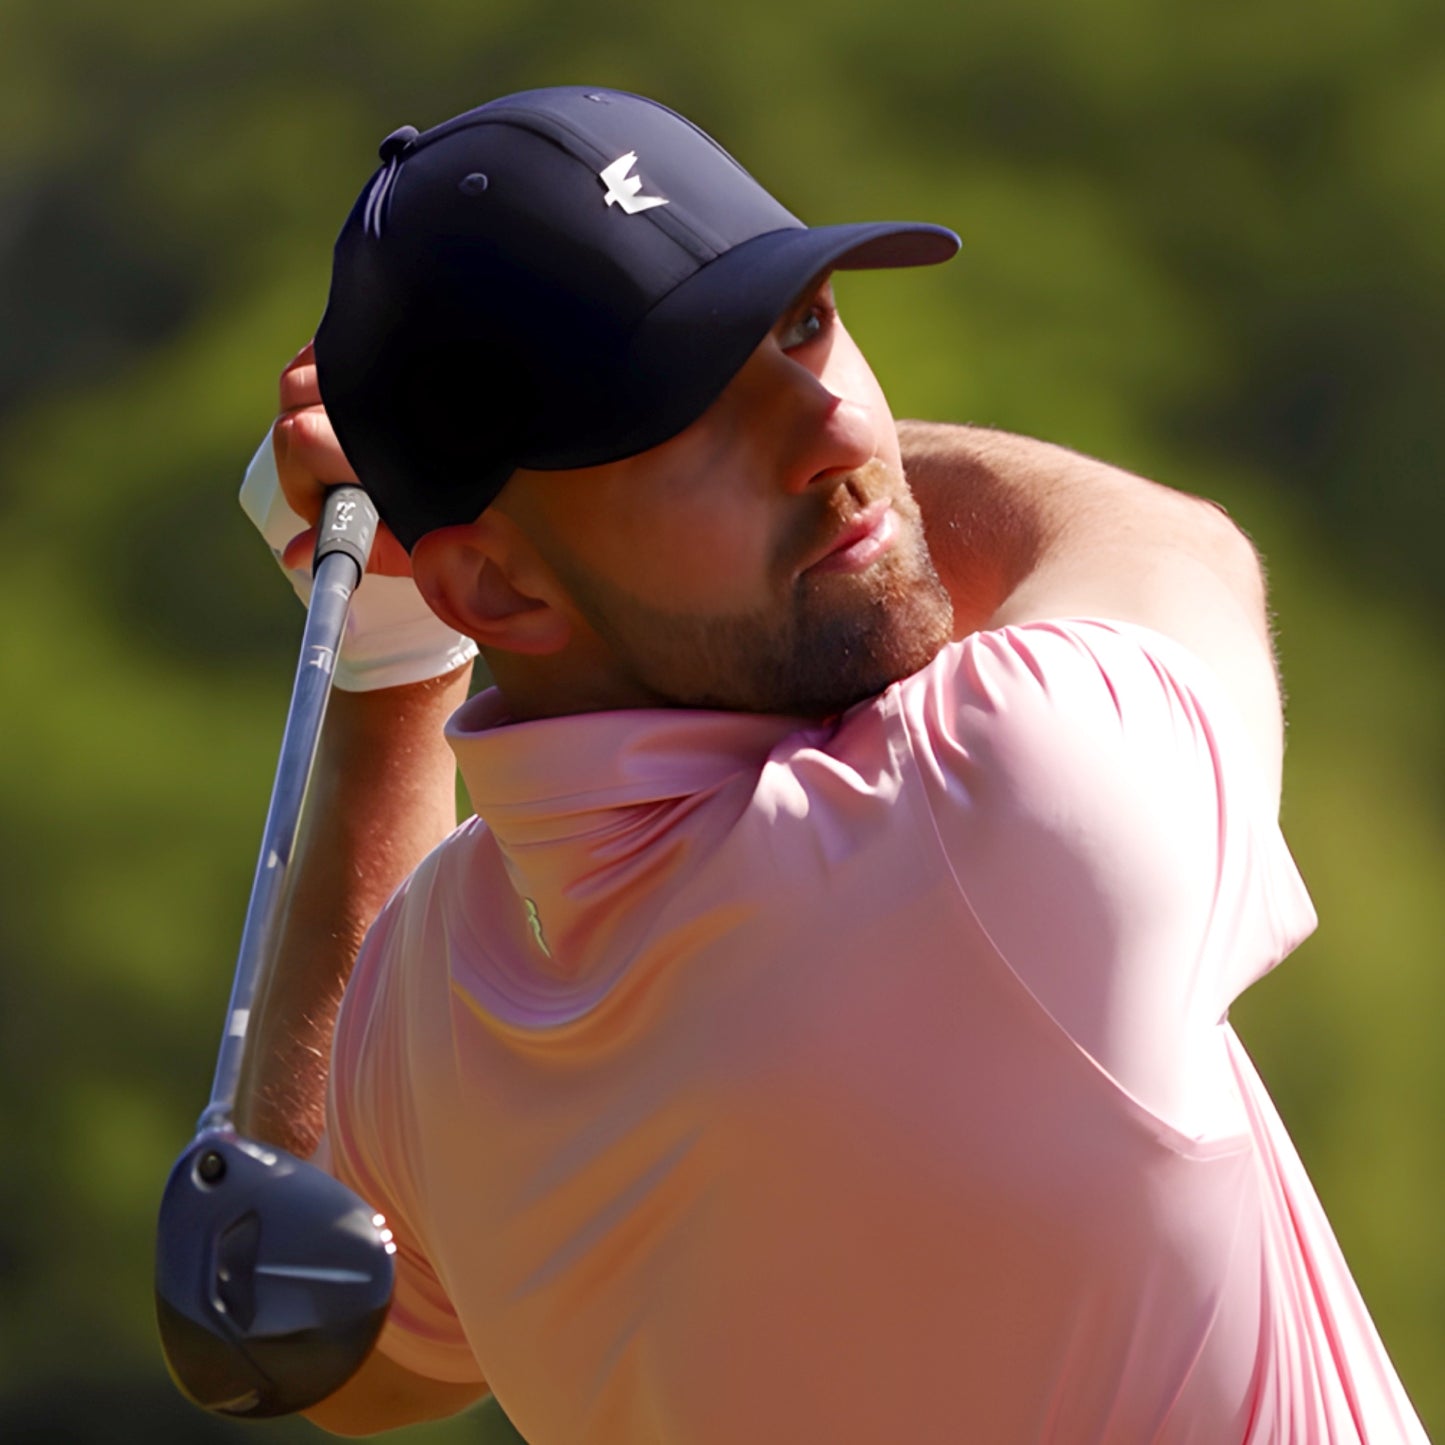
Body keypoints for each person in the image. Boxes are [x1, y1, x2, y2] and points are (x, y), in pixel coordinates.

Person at [234, 87, 1429, 1442]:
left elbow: (331, 1346)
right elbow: (1168, 542)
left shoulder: (437, 1009)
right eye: (691, 410)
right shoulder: (1006, 788)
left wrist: (395, 660)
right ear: (500, 586)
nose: (842, 433)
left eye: (802, 324)